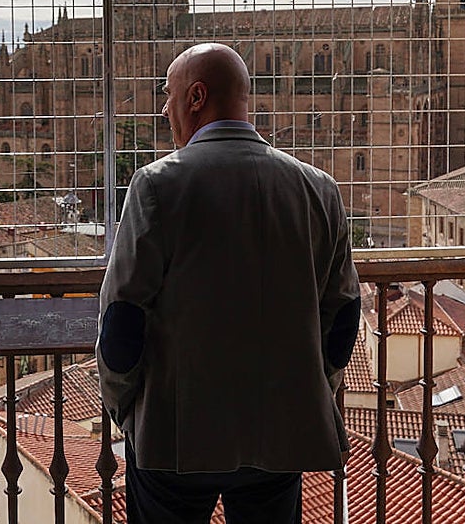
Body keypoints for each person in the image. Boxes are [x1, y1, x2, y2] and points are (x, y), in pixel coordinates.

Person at [96, 43, 361, 523]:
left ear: (196, 97)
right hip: (280, 434)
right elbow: (342, 315)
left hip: (175, 438)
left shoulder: (157, 186)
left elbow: (122, 319)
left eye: (169, 94)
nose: (163, 108)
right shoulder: (319, 188)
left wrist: (126, 408)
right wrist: (308, 387)